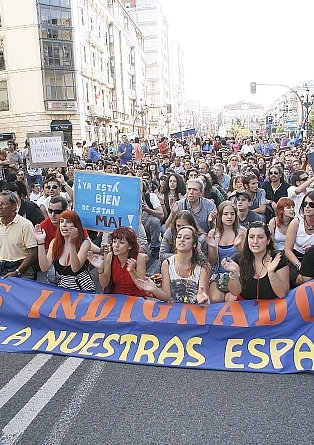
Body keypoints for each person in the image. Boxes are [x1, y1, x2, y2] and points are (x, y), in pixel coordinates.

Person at [135, 226, 210, 304]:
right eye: (179, 237)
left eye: (187, 238)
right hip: (174, 310)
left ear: (194, 244)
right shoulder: (167, 264)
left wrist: (202, 296)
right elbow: (166, 296)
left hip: (196, 310)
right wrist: (154, 289)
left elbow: (202, 293)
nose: (182, 240)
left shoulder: (203, 266)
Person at [222, 222, 289, 302]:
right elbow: (235, 292)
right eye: (251, 237)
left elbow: (282, 293)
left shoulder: (278, 258)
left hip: (272, 308)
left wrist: (271, 273)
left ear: (268, 241)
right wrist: (235, 273)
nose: (255, 241)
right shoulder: (239, 259)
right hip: (247, 309)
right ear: (247, 240)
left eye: (260, 237)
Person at [35, 210, 96, 292]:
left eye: (68, 222)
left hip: (83, 290)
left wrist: (71, 243)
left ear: (76, 225)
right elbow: (44, 267)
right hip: (64, 290)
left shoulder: (85, 243)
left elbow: (75, 268)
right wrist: (40, 242)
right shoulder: (54, 242)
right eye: (61, 221)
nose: (64, 225)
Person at [87, 227, 147, 297]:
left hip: (136, 298)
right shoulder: (110, 256)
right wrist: (100, 269)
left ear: (130, 246)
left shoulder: (140, 258)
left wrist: (132, 271)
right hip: (116, 298)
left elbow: (141, 287)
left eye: (121, 243)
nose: (116, 245)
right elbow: (104, 284)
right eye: (114, 241)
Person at [206, 201, 246, 303]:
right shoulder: (213, 233)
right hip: (218, 273)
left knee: (231, 301)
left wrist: (237, 247)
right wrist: (213, 247)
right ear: (220, 216)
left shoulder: (242, 231)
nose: (229, 217)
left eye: (232, 214)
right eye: (226, 214)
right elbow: (213, 261)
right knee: (216, 299)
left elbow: (244, 259)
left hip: (236, 273)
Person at [0, 191, 38, 279]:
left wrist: (17, 271)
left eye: (3, 204)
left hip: (22, 270)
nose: (0, 207)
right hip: (2, 268)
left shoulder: (25, 225)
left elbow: (32, 253)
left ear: (14, 206)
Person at [284, 191, 314, 287]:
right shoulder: (296, 222)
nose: (307, 207)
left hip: (312, 259)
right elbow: (287, 250)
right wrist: (298, 265)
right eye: (305, 204)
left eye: (311, 204)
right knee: (302, 279)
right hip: (295, 259)